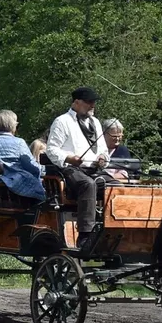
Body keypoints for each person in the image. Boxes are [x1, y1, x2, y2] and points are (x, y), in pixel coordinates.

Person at [45, 86, 108, 252]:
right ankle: (85, 235)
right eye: (89, 102)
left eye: (94, 102)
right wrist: (69, 158)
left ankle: (111, 229)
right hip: (71, 170)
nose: (93, 105)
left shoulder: (96, 123)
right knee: (88, 184)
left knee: (119, 187)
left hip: (95, 169)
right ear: (76, 102)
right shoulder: (62, 121)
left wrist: (103, 158)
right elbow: (51, 149)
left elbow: (104, 150)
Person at [0, 109, 47, 201]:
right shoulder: (19, 143)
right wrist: (43, 170)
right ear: (13, 125)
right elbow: (32, 167)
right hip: (16, 193)